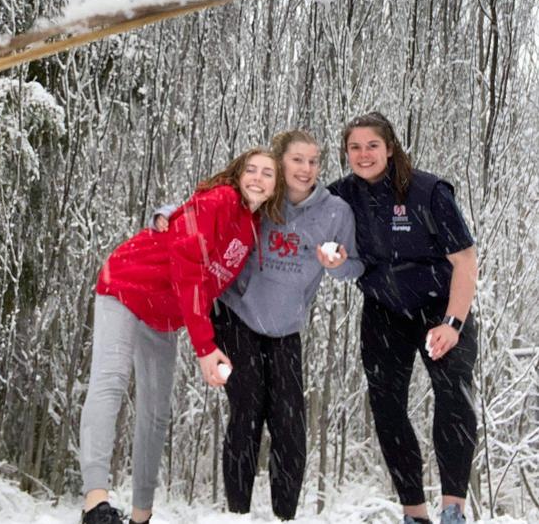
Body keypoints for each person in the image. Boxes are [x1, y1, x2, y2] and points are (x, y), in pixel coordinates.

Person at [153, 129, 363, 519]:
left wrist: (337, 265)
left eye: (313, 161)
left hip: (286, 327)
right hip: (237, 316)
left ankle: (285, 516)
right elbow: (205, 203)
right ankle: (237, 514)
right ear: (279, 163)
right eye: (297, 160)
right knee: (247, 409)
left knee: (289, 423)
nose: (306, 168)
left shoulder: (335, 212)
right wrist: (166, 212)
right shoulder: (263, 196)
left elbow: (355, 266)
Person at [80, 148, 284, 524]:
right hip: (127, 285)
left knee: (156, 414)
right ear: (238, 175)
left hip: (165, 315)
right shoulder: (220, 200)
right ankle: (95, 503)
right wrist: (205, 347)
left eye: (267, 173)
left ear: (275, 187)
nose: (257, 177)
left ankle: (141, 516)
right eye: (250, 169)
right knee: (109, 384)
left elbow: (218, 289)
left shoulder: (251, 229)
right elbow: (188, 266)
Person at [325, 112, 478, 524]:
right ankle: (415, 513)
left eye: (372, 145)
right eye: (354, 147)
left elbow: (465, 261)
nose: (363, 154)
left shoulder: (428, 191)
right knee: (387, 406)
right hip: (383, 309)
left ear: (389, 148)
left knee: (452, 394)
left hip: (439, 307)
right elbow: (295, 212)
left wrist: (452, 323)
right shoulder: (341, 197)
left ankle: (453, 510)